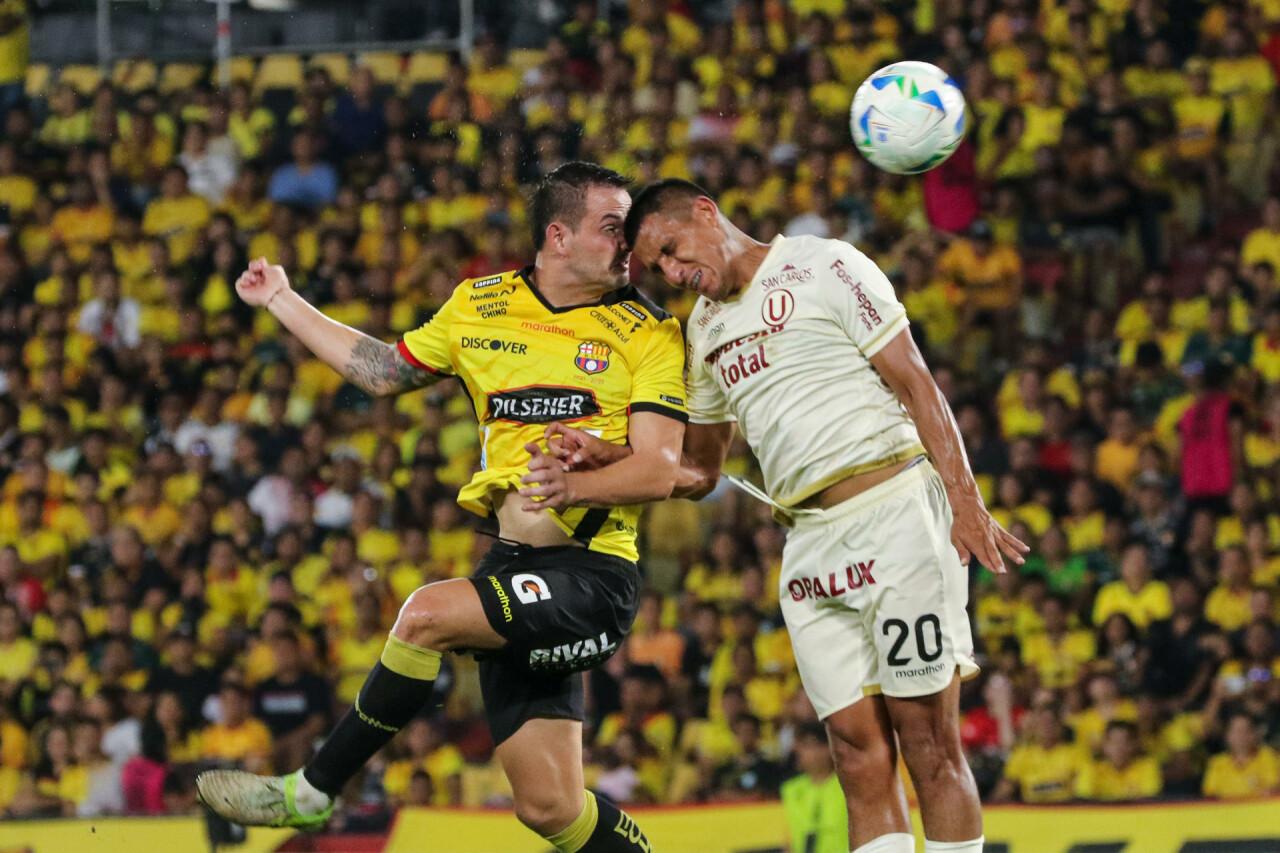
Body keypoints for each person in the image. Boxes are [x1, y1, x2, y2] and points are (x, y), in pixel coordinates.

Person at [196, 162, 690, 853]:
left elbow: (661, 468)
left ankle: (311, 790)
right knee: (549, 806)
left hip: (591, 574)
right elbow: (381, 370)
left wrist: (577, 485)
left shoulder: (648, 328)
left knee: (425, 614)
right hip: (514, 565)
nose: (628, 245)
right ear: (558, 235)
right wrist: (282, 298)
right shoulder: (479, 304)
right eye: (613, 228)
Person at [538, 179, 1027, 853]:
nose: (676, 274)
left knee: (929, 744)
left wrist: (966, 501)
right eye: (661, 269)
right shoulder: (703, 330)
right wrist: (609, 458)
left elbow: (916, 381)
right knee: (856, 756)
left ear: (707, 213)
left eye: (675, 251)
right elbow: (700, 469)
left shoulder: (826, 265)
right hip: (808, 546)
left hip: (893, 516)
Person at [781, 722, 848, 853]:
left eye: (807, 745)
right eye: (798, 745)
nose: (798, 751)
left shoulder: (848, 786)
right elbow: (790, 837)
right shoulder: (791, 789)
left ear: (829, 748)